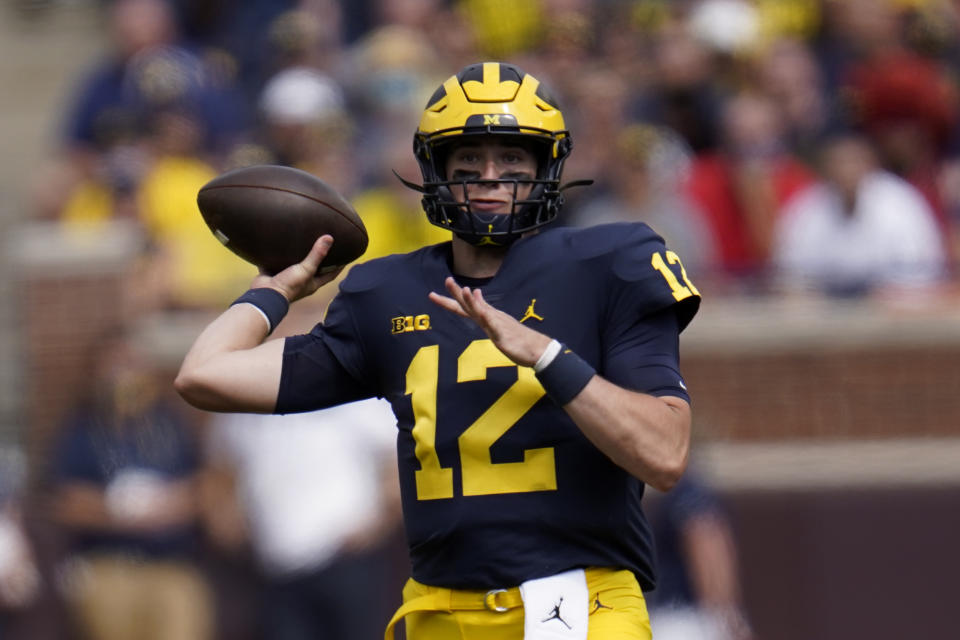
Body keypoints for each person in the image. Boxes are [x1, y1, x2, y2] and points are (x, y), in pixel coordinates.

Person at [175, 62, 701, 640]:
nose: (490, 179)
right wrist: (274, 291)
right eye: (468, 163)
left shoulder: (610, 264)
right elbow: (204, 375)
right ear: (436, 172)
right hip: (439, 611)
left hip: (577, 602)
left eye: (512, 162)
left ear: (547, 168)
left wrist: (549, 356)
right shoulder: (386, 294)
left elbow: (665, 453)